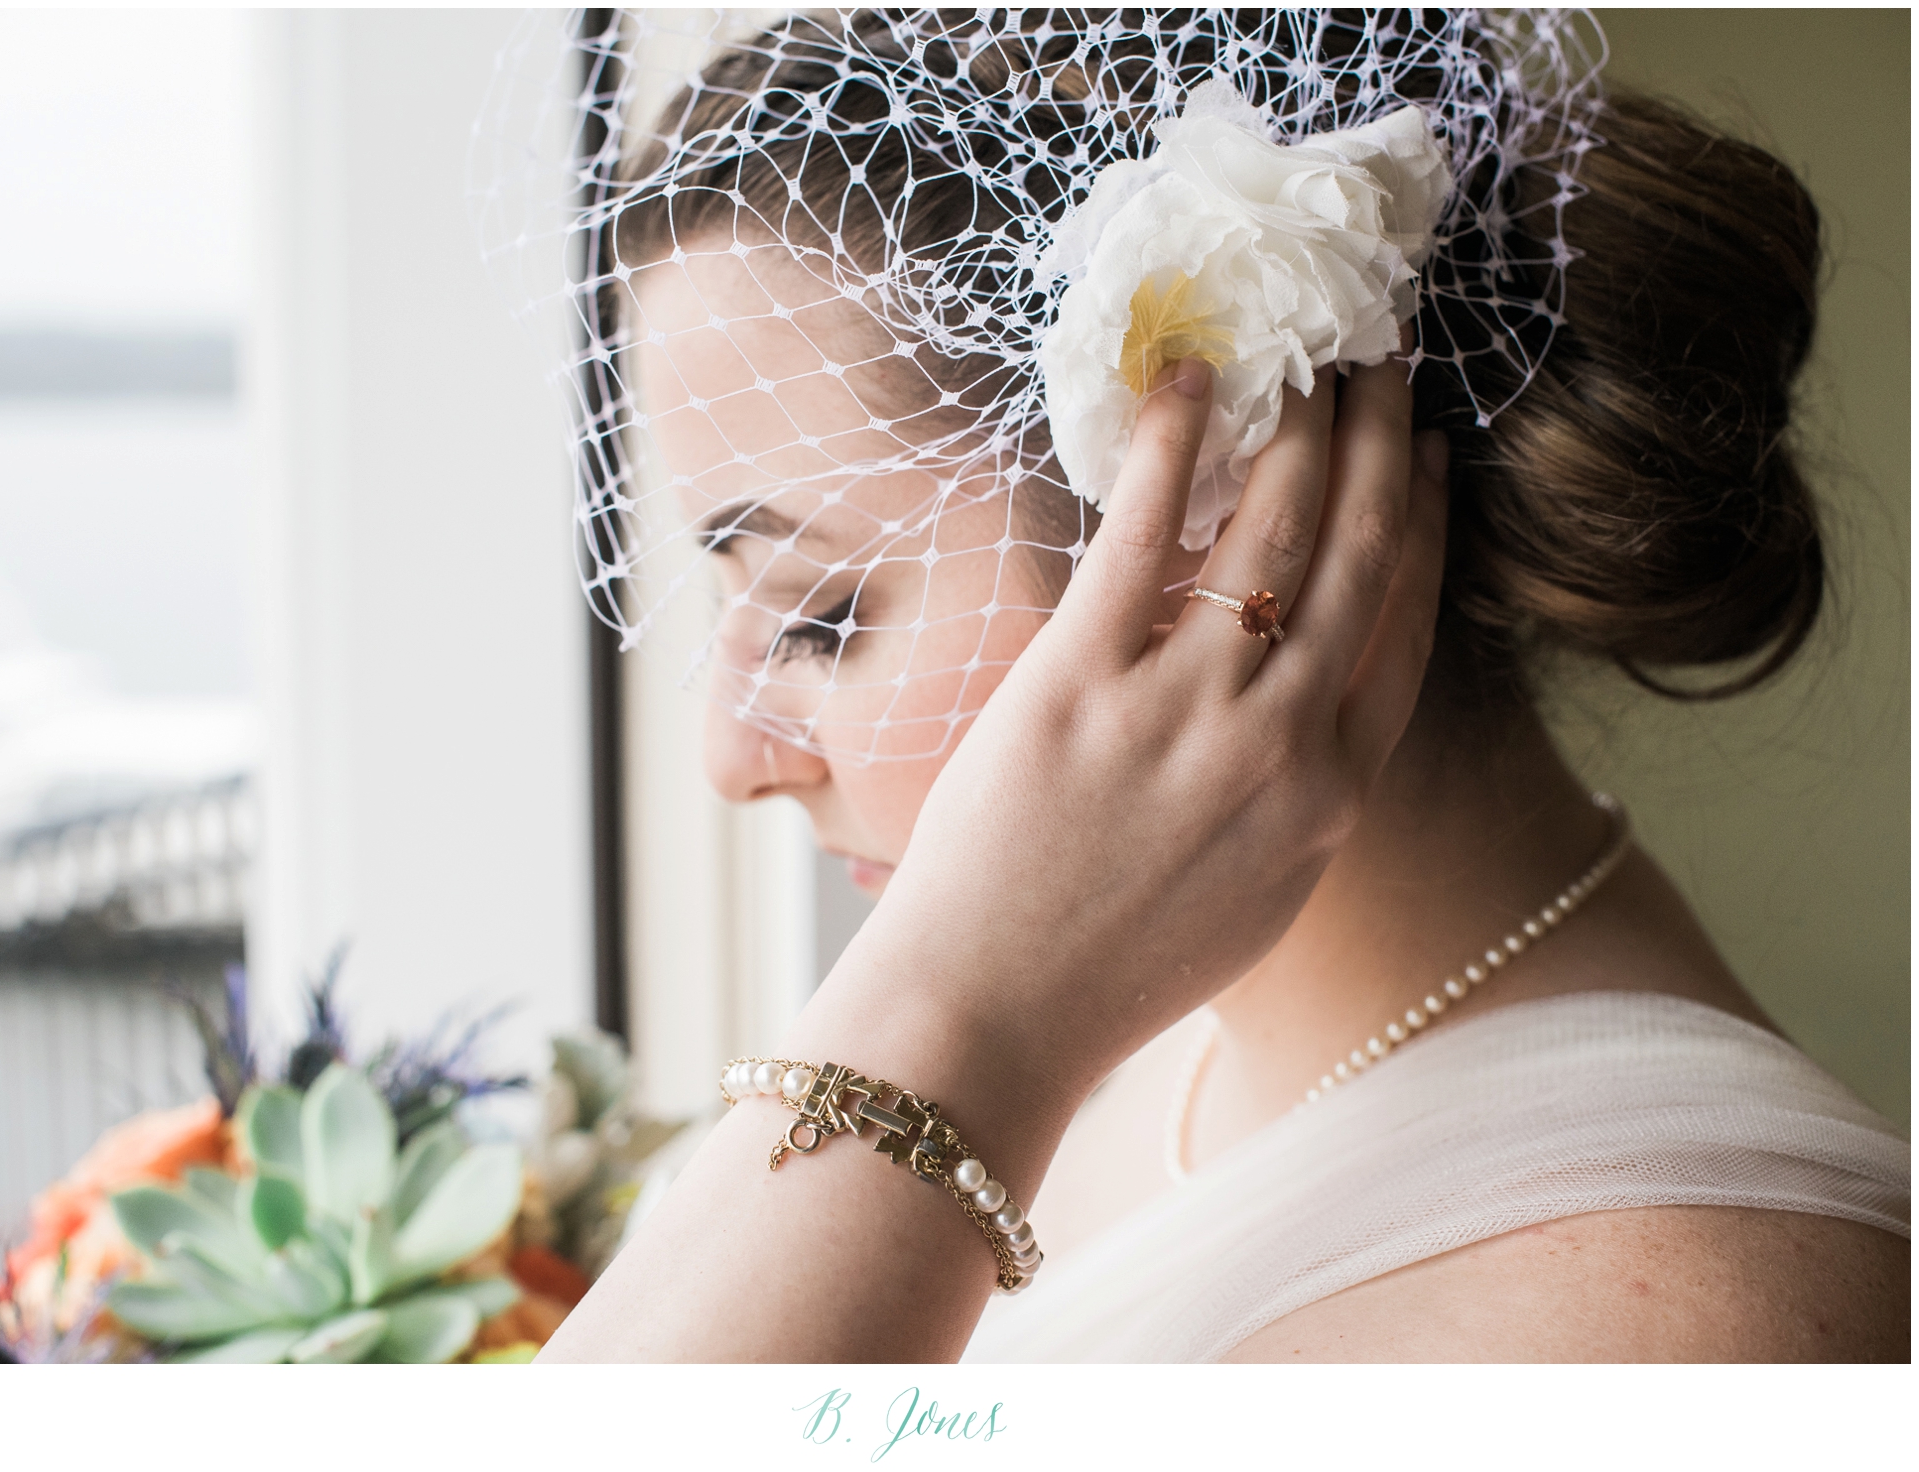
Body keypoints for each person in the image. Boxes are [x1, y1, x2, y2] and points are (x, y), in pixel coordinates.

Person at [490, 10, 1908, 1361]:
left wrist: (963, 1004)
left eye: (820, 612)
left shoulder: (1663, 1326)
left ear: (1228, 518)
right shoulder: (1114, 1065)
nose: (732, 758)